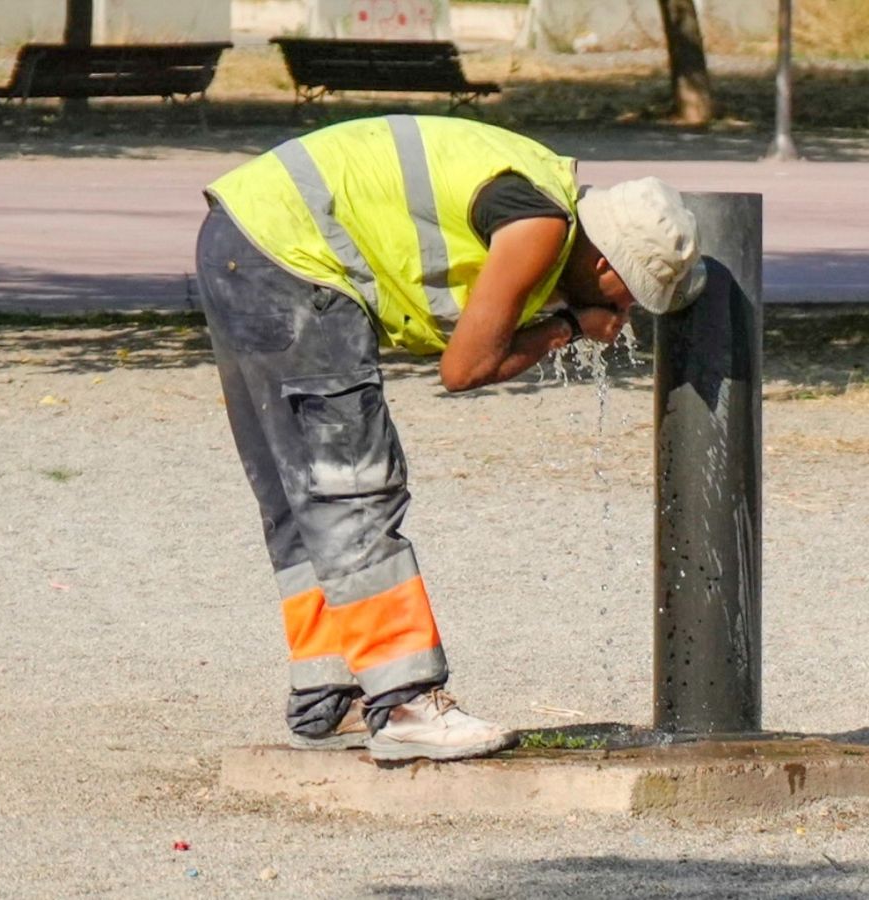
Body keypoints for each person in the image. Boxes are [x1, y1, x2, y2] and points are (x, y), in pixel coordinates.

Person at [195, 115, 701, 762]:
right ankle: (406, 704)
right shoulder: (539, 227)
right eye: (629, 294)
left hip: (244, 238)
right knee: (351, 486)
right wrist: (570, 327)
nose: (626, 312)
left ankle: (327, 696)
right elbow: (465, 369)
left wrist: (566, 316)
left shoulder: (537, 195)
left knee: (302, 493)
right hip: (290, 256)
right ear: (604, 261)